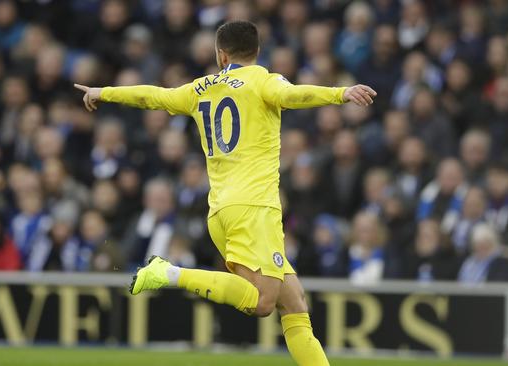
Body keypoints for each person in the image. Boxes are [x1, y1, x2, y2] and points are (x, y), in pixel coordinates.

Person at [74, 20, 376, 366]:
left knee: (294, 304)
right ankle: (170, 273)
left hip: (220, 210)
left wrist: (104, 92)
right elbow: (293, 95)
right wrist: (339, 93)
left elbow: (153, 95)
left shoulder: (201, 87)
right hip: (254, 209)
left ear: (221, 55)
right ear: (258, 52)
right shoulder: (264, 79)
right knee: (263, 303)